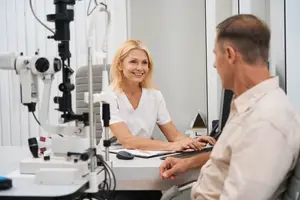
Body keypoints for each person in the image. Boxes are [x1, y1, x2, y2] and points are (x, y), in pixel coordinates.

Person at [160, 14, 300, 200]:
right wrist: (189, 163)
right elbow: (233, 155)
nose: (214, 64)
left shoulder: (266, 121)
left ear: (230, 54)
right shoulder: (249, 106)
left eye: (215, 55)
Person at [105, 39, 215, 200]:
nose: (140, 68)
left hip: (144, 160)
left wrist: (194, 142)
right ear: (120, 65)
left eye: (144, 63)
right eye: (133, 62)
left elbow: (174, 135)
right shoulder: (109, 96)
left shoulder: (154, 95)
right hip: (116, 165)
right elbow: (127, 140)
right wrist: (173, 146)